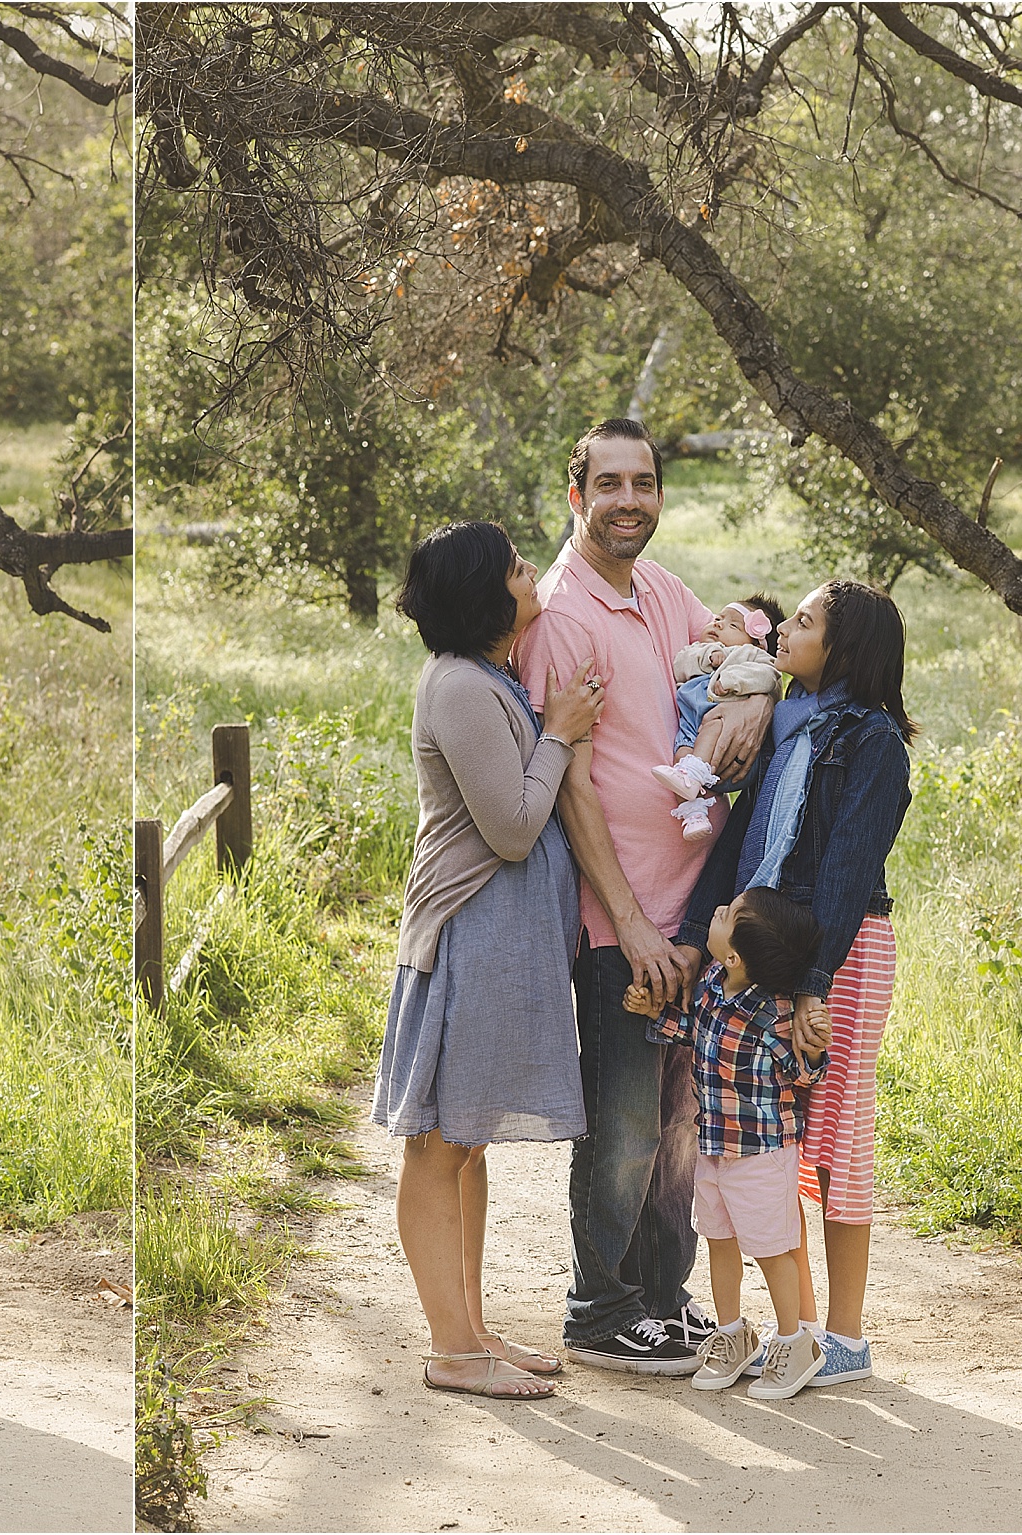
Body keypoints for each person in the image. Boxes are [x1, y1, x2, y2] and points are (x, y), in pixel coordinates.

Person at [516, 417, 777, 1375]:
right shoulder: (562, 616)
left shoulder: (661, 590)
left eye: (647, 483)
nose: (632, 499)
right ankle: (600, 1309)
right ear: (576, 495)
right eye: (611, 483)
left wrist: (750, 696)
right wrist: (626, 927)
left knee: (678, 1122)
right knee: (624, 1119)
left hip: (691, 913)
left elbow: (745, 648)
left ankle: (661, 1303)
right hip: (618, 920)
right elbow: (574, 787)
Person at [373, 521, 606, 1400]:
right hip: (467, 934)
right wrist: (559, 733)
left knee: (467, 1144)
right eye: (513, 566)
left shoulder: (486, 678)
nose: (527, 572)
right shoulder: (464, 688)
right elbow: (511, 828)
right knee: (437, 1145)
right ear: (486, 592)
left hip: (499, 940)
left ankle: (470, 1329)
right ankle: (450, 1349)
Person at [674, 580, 915, 1390]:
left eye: (803, 624)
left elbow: (847, 867)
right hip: (782, 949)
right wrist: (691, 938)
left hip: (841, 951)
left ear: (842, 651)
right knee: (776, 1142)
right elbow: (742, 838)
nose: (784, 631)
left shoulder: (875, 741)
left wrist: (816, 983)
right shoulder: (791, 724)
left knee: (837, 1138)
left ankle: (843, 1336)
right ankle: (798, 1329)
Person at [629, 888, 828, 1397]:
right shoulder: (714, 986)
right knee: (719, 1239)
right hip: (714, 1147)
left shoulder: (773, 1015)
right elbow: (696, 1032)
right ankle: (733, 1335)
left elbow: (804, 1073)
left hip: (762, 1155)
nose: (715, 910)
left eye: (726, 915)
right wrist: (656, 1014)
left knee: (772, 1249)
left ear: (735, 954)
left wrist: (816, 1049)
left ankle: (795, 1342)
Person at [653, 596, 783, 842]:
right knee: (680, 756)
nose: (719, 625)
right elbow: (681, 664)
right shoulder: (700, 650)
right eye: (718, 619)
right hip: (692, 727)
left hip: (723, 734)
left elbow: (768, 677)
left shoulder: (751, 656)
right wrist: (709, 656)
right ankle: (694, 816)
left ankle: (695, 774)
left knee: (713, 724)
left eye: (733, 625)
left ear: (757, 642)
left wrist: (733, 680)